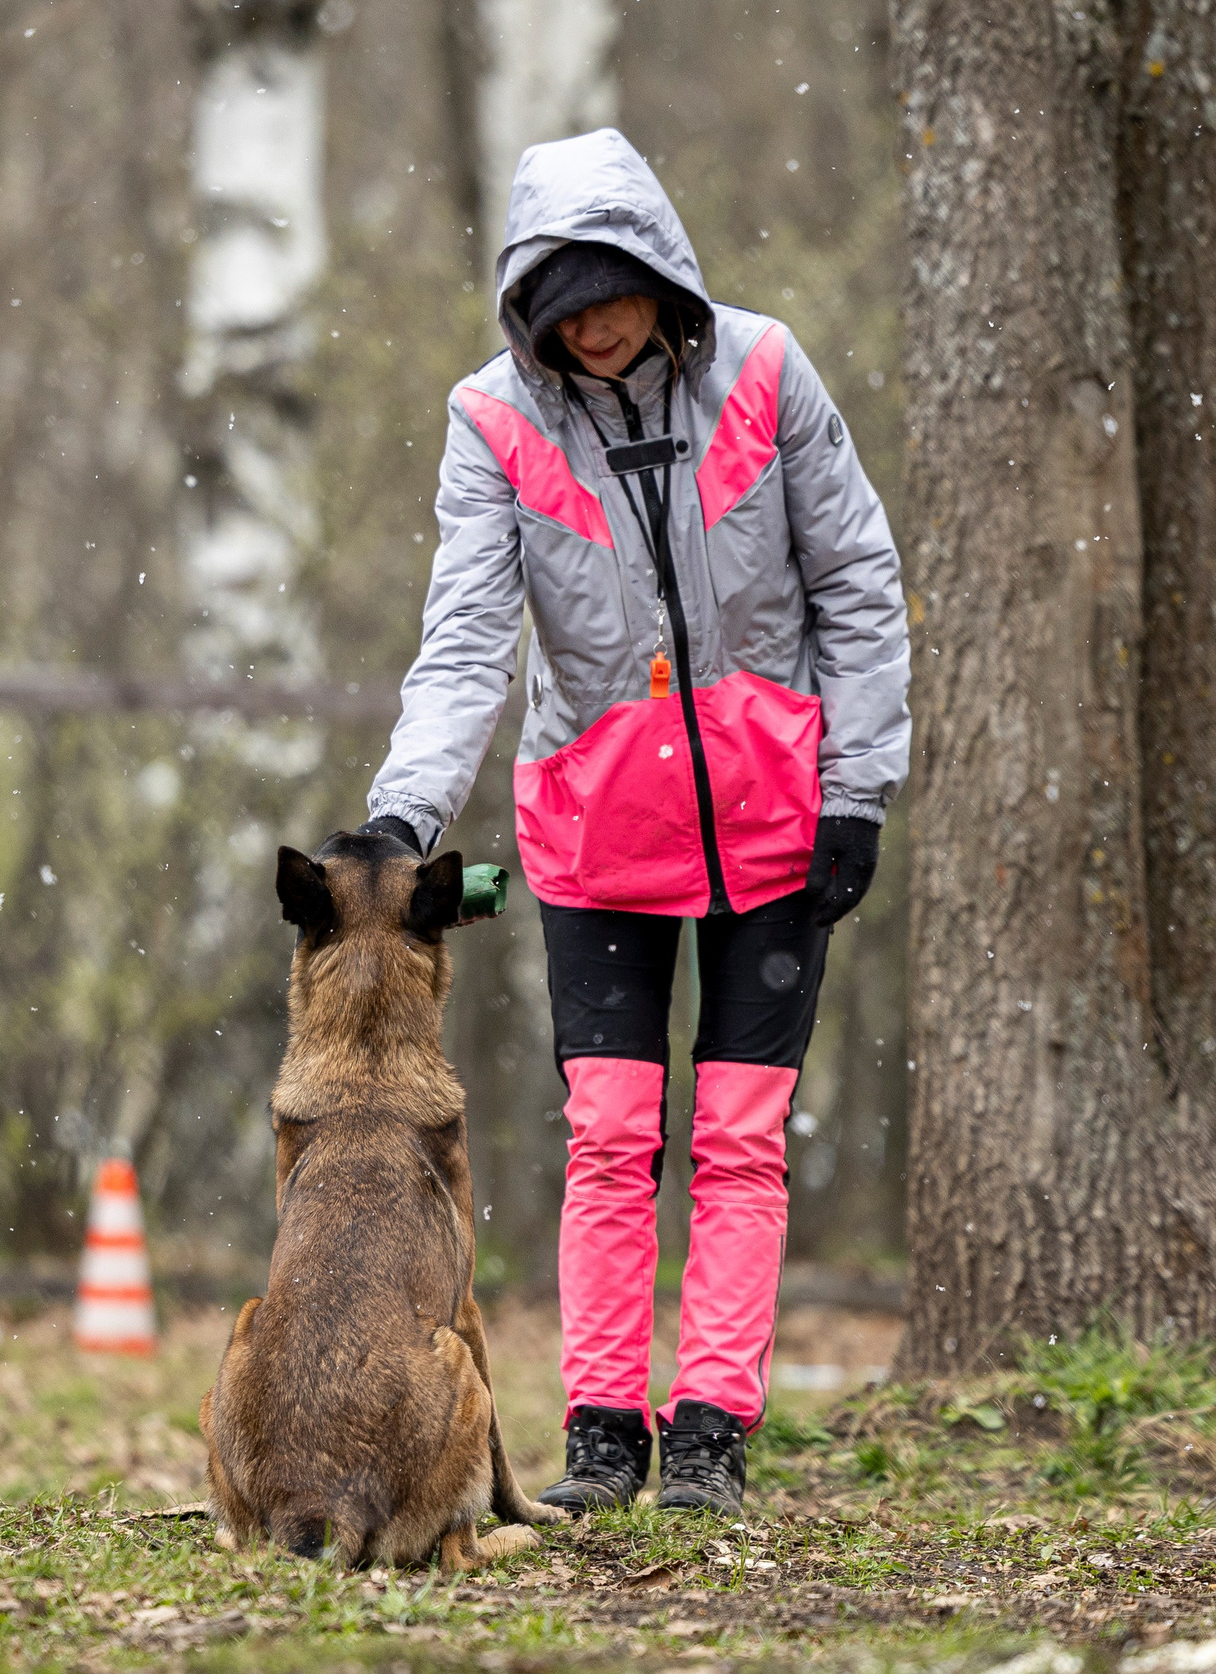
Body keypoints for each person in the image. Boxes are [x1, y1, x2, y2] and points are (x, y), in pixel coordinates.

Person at [354, 128, 909, 1517]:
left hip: (777, 824)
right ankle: (603, 1430)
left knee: (739, 1136)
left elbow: (858, 580)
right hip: (596, 836)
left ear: (659, 276)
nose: (590, 326)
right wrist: (402, 814)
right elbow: (467, 640)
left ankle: (712, 1429)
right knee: (609, 1133)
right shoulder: (493, 420)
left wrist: (858, 788)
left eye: (607, 294)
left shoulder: (766, 371)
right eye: (560, 308)